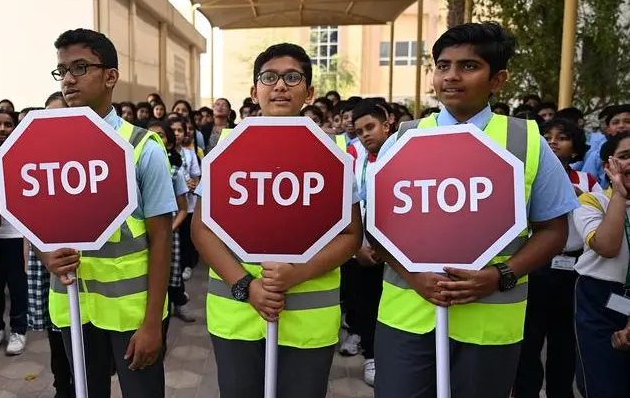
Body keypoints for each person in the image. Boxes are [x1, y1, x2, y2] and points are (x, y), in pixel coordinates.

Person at [371, 22, 578, 398]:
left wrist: (500, 275)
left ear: (497, 80)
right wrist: (415, 277)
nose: (451, 76)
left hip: (489, 319)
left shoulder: (525, 139)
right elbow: (376, 226)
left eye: (468, 66)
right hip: (407, 317)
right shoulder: (402, 138)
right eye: (443, 65)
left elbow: (554, 230)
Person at [192, 43, 362, 398]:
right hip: (236, 314)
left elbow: (350, 234)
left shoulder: (333, 153)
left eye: (292, 77)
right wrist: (246, 286)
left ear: (310, 91)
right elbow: (202, 229)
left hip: (309, 319)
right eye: (269, 77)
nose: (280, 85)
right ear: (255, 91)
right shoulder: (226, 148)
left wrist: (297, 274)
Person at [45, 28, 175, 398]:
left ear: (111, 76)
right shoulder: (46, 145)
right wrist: (45, 256)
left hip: (131, 315)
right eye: (62, 70)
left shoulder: (142, 146)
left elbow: (161, 237)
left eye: (80, 67)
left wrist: (153, 323)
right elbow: (33, 225)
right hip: (73, 307)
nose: (68, 78)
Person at [513, 118, 598, 398]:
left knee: (564, 338)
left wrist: (579, 196)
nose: (552, 141)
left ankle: (560, 391)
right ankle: (526, 390)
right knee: (529, 336)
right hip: (537, 263)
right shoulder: (527, 175)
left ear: (575, 149)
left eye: (562, 137)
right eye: (547, 136)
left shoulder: (587, 180)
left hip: (572, 266)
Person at [572, 131, 630, 397]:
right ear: (608, 166)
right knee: (602, 382)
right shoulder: (593, 201)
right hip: (599, 299)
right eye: (624, 157)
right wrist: (619, 194)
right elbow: (606, 246)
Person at [341, 100, 393, 386]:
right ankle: (371, 356)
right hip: (361, 249)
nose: (365, 135)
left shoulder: (404, 153)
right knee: (364, 304)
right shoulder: (351, 156)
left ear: (387, 124)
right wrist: (357, 245)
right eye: (360, 131)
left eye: (370, 127)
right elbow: (347, 205)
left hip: (396, 252)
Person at [0, 110, 29, 359]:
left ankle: (19, 330)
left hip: (15, 234)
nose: (2, 129)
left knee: (17, 285)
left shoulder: (21, 155)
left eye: (8, 125)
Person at [147, 119, 195, 324]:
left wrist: (170, 229)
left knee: (168, 279)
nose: (155, 139)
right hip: (145, 237)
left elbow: (182, 209)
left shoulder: (174, 171)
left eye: (161, 135)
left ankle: (171, 310)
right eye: (150, 136)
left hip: (169, 234)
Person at [169, 116, 202, 282]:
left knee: (185, 237)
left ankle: (186, 265)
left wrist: (192, 184)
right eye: (173, 130)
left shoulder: (190, 154)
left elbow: (197, 176)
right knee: (174, 239)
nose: (176, 134)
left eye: (180, 130)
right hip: (171, 204)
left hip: (188, 203)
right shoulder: (163, 153)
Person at [582, 104, 630, 187]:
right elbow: (586, 185)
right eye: (616, 122)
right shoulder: (596, 156)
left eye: (628, 121)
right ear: (608, 129)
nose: (621, 125)